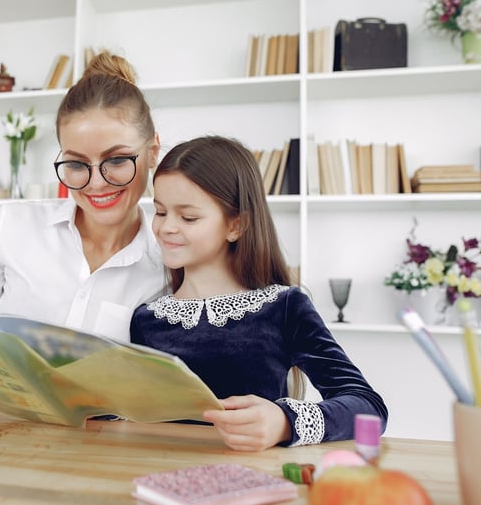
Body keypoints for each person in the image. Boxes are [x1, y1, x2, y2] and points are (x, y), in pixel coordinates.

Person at [0, 51, 165, 378]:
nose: (96, 183)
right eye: (77, 164)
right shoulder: (8, 227)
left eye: (117, 161)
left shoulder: (170, 261)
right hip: (1, 424)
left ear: (152, 152)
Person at [129, 135, 388, 452]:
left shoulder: (284, 307)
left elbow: (368, 406)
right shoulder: (145, 320)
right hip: (157, 484)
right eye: (159, 211)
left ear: (236, 225)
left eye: (188, 217)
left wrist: (283, 421)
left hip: (255, 484)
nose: (166, 227)